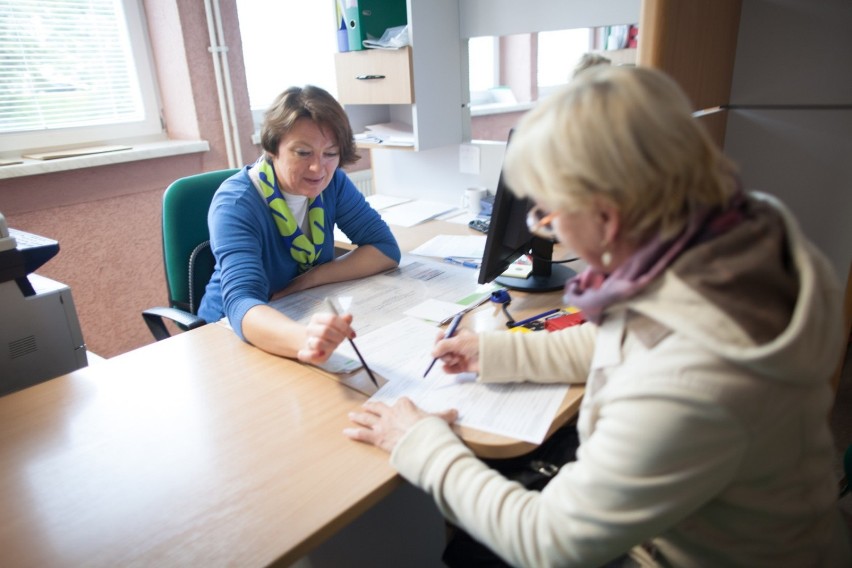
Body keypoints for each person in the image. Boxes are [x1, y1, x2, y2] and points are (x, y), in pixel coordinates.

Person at [344, 66, 851, 567]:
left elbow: (551, 543)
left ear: (607, 219)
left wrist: (419, 443)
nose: (546, 226)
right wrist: (496, 350)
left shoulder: (693, 377)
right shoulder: (734, 236)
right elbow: (626, 341)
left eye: (548, 214)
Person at [198, 85, 400, 364]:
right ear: (272, 148)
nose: (319, 169)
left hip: (297, 311)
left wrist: (307, 281)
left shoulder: (333, 184)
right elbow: (241, 302)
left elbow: (385, 250)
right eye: (303, 153)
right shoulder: (237, 203)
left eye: (330, 153)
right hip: (228, 335)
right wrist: (305, 339)